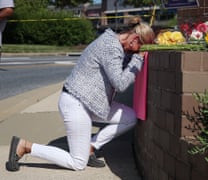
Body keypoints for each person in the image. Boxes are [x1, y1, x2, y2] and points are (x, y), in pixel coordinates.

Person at [6, 16, 155, 171]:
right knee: (78, 163)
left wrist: (135, 57)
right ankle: (25, 146)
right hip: (76, 103)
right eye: (139, 48)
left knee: (130, 117)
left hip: (92, 104)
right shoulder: (111, 47)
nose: (136, 52)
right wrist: (137, 60)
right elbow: (120, 83)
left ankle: (91, 146)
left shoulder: (115, 43)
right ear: (135, 39)